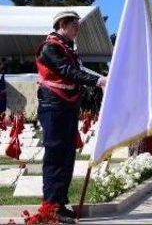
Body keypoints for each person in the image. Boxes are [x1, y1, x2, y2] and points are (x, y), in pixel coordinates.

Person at [36, 11, 108, 222]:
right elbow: (67, 71)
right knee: (55, 157)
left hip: (67, 106)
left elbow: (78, 70)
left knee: (67, 157)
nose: (77, 29)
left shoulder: (68, 49)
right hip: (53, 106)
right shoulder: (50, 48)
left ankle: (61, 202)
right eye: (74, 25)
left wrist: (99, 78)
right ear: (62, 24)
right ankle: (51, 206)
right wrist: (97, 81)